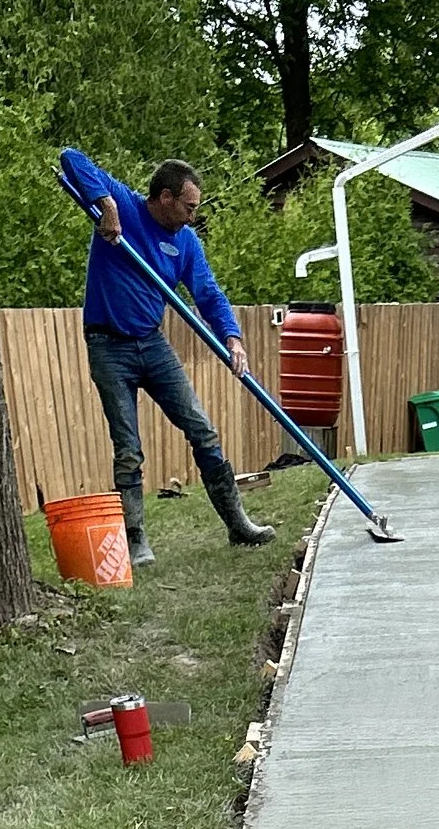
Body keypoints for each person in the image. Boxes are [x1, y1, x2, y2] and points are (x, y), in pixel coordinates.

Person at [60, 149, 277, 565]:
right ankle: (136, 540)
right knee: (128, 448)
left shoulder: (186, 242)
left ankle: (238, 525)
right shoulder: (122, 203)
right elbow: (71, 158)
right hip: (107, 346)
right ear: (164, 197)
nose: (193, 216)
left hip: (152, 344)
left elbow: (209, 294)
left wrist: (232, 338)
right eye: (189, 206)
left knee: (203, 430)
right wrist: (104, 205)